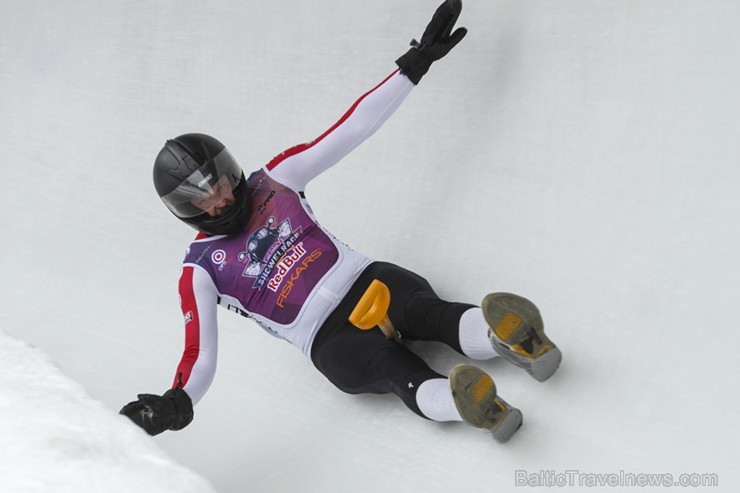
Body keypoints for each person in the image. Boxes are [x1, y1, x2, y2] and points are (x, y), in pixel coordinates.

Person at [120, 0, 561, 444]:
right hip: (326, 339)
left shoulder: (276, 178)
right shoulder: (199, 270)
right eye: (203, 197)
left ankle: (506, 340)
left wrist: (414, 64)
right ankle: (471, 405)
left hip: (368, 279)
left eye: (219, 182)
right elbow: (200, 352)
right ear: (186, 209)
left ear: (228, 167)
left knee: (432, 313)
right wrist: (179, 399)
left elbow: (353, 127)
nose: (221, 198)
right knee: (393, 369)